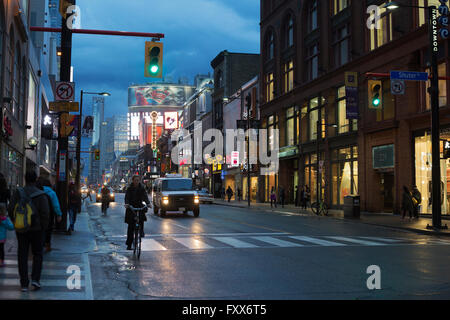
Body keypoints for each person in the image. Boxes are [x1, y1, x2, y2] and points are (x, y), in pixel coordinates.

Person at [8, 170, 50, 291]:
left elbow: (11, 209)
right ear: (36, 179)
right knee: (37, 254)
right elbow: (45, 213)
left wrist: (17, 221)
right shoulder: (41, 194)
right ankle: (36, 280)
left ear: (25, 179)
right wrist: (43, 227)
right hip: (37, 229)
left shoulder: (18, 192)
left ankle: (24, 284)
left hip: (21, 229)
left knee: (22, 254)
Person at [36, 177, 62, 252]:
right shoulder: (52, 193)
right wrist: (59, 214)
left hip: (38, 214)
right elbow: (56, 205)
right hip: (49, 214)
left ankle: (39, 243)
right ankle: (47, 245)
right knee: (48, 230)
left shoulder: (38, 191)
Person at [124, 175, 150, 250]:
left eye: (138, 180)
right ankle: (129, 244)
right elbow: (127, 197)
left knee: (142, 217)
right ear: (133, 180)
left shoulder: (142, 188)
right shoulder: (129, 188)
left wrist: (148, 203)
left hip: (139, 205)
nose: (136, 181)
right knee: (131, 227)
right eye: (135, 180)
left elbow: (145, 196)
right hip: (131, 207)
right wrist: (127, 204)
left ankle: (141, 231)